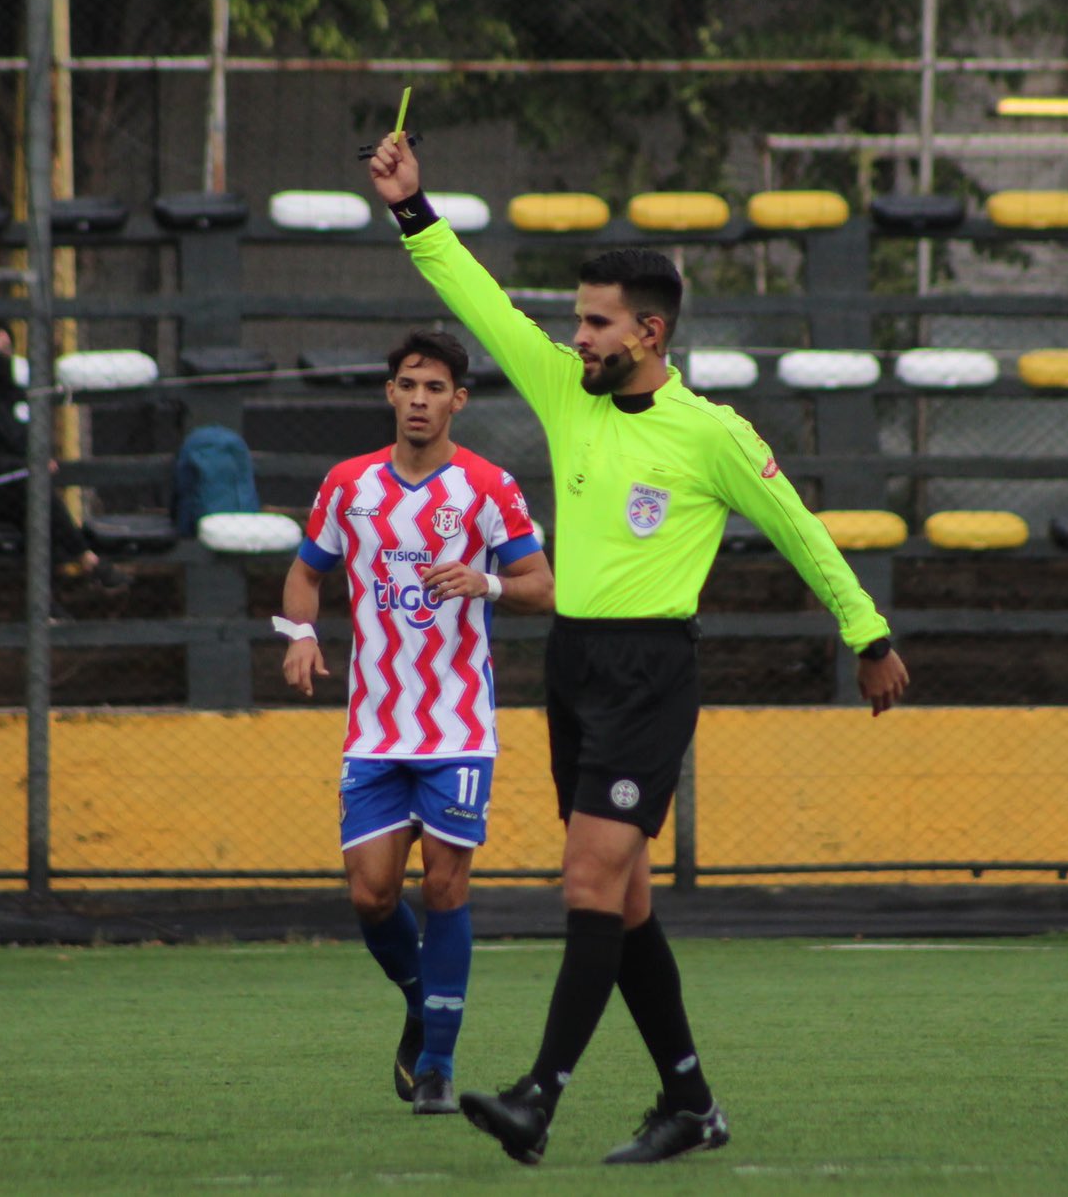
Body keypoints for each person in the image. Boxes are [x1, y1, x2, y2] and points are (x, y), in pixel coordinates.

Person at [367, 134, 909, 1164]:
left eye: (595, 320)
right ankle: (690, 1103)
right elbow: (479, 300)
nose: (575, 334)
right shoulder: (568, 390)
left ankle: (537, 1094)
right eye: (575, 317)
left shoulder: (709, 433)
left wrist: (866, 632)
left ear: (647, 331)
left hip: (650, 675)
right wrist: (411, 208)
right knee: (622, 903)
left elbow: (798, 526)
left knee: (584, 881)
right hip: (572, 668)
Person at [279, 330, 554, 1116]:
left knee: (443, 886)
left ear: (458, 401)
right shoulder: (348, 484)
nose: (421, 400)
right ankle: (420, 996)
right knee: (370, 896)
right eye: (409, 385)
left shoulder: (489, 488)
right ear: (390, 394)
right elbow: (306, 572)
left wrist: (487, 582)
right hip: (374, 728)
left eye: (436, 388)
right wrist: (300, 635)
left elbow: (545, 583)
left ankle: (435, 1065)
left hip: (459, 727)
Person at [0, 321, 126, 587]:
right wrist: (22, 466)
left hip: (18, 490)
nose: (2, 356)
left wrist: (31, 466)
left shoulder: (15, 397)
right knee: (31, 492)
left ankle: (48, 598)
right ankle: (86, 562)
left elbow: (28, 444)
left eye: (7, 347)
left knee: (34, 500)